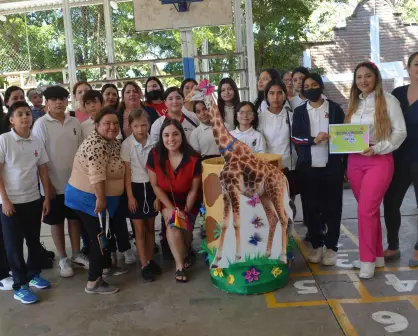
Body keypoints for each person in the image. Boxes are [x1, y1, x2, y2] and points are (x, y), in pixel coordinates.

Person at [346, 61, 406, 279]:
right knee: (368, 211)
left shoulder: (389, 100)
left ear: (376, 78)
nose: (363, 80)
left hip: (379, 159)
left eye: (367, 76)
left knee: (365, 211)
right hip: (354, 160)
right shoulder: (354, 102)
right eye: (359, 76)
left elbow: (400, 132)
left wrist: (379, 148)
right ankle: (377, 255)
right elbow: (348, 133)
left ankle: (367, 260)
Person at [65, 107, 127, 294]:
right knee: (99, 239)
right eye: (107, 123)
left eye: (115, 123)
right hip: (89, 199)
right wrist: (100, 199)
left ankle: (103, 268)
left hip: (101, 200)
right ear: (97, 125)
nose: (112, 127)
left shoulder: (112, 142)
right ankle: (93, 281)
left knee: (103, 236)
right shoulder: (96, 144)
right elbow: (97, 175)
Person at [32, 86, 89, 278]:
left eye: (62, 98)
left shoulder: (74, 122)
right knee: (56, 222)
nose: (59, 102)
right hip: (52, 185)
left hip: (74, 183)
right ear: (46, 102)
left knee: (74, 220)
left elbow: (82, 151)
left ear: (67, 101)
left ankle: (76, 254)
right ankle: (63, 258)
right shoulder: (41, 124)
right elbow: (40, 159)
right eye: (54, 99)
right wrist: (47, 189)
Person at [291, 74, 346, 266]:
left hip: (332, 168)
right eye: (307, 86)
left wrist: (344, 165)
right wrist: (313, 139)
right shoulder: (299, 112)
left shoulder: (335, 108)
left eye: (314, 84)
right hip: (308, 169)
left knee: (333, 208)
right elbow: (296, 138)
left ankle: (331, 248)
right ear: (302, 90)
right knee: (311, 209)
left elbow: (344, 136)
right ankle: (317, 245)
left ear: (321, 86)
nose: (311, 88)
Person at [0, 101, 51, 304]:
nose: (25, 117)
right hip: (10, 202)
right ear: (12, 120)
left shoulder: (36, 141)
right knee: (14, 246)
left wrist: (46, 197)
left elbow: (43, 170)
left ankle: (34, 273)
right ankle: (20, 285)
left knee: (33, 240)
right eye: (20, 114)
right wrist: (5, 200)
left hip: (33, 199)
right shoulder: (4, 140)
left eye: (28, 114)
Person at [147, 119, 202, 283]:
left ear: (182, 136)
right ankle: (179, 266)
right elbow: (155, 185)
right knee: (174, 226)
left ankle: (184, 252)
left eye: (175, 134)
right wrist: (172, 209)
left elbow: (194, 189)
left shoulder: (194, 158)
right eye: (166, 135)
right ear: (161, 137)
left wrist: (184, 210)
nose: (171, 139)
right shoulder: (155, 155)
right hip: (167, 199)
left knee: (185, 233)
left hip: (188, 201)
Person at [383, 52, 418, 266]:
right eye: (417, 64)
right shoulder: (397, 94)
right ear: (408, 68)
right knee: (390, 203)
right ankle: (393, 246)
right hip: (397, 159)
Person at [121, 108, 161, 282]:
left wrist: (159, 195)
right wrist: (130, 196)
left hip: (152, 188)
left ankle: (151, 260)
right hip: (136, 189)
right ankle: (144, 264)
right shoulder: (127, 145)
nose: (141, 129)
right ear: (130, 126)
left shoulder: (155, 142)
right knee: (139, 230)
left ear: (149, 125)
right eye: (136, 126)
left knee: (151, 227)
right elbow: (127, 173)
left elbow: (159, 170)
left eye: (144, 125)